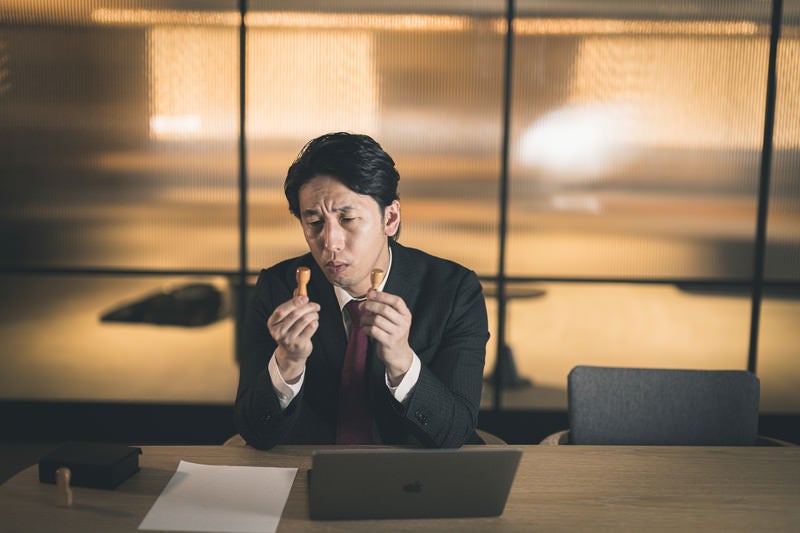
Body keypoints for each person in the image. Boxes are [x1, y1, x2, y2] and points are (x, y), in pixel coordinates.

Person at [234, 132, 489, 449]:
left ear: (390, 218)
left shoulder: (453, 291)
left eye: (348, 218)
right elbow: (253, 432)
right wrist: (287, 364)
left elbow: (456, 432)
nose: (330, 242)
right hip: (306, 472)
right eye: (313, 222)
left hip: (417, 479)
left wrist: (401, 361)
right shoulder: (278, 288)